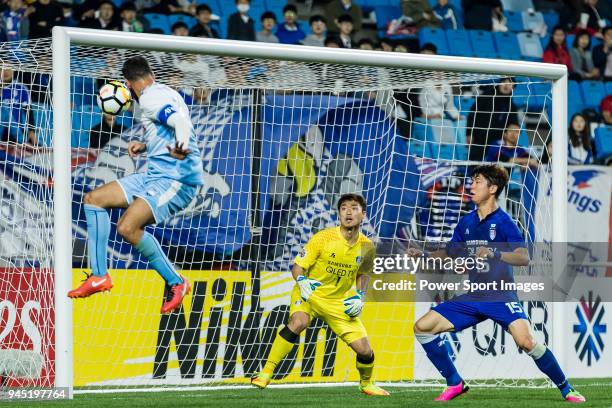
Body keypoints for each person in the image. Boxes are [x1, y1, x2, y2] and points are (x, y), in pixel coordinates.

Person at [408, 164, 586, 403]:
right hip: (474, 296)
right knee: (422, 327)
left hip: (501, 296)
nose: (471, 186)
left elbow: (523, 257)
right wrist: (425, 255)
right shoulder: (466, 222)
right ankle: (454, 382)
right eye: (472, 181)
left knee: (526, 342)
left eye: (477, 181)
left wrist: (495, 253)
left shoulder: (504, 222)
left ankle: (567, 389)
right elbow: (451, 252)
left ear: (492, 188)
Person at [68, 56, 204, 316]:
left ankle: (177, 282)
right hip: (156, 173)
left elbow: (181, 123)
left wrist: (181, 147)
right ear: (151, 73)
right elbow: (167, 125)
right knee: (93, 199)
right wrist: (144, 146)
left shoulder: (151, 99)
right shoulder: (166, 92)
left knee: (128, 228)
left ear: (127, 85)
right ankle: (99, 276)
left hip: (177, 179)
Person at [251, 194, 389, 397]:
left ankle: (366, 383)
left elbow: (363, 274)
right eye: (343, 208)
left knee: (365, 350)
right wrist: (302, 281)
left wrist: (360, 296)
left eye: (354, 208)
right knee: (298, 322)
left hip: (337, 302)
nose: (348, 212)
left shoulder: (367, 246)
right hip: (310, 294)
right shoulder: (323, 238)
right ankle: (265, 373)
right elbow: (297, 267)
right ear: (339, 213)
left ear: (363, 214)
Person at [467, 78, 518, 161]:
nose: (506, 85)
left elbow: (513, 123)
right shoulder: (487, 95)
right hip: (479, 138)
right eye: (504, 82)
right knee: (474, 164)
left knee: (494, 167)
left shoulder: (511, 105)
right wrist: (469, 133)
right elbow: (473, 113)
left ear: (513, 88)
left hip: (496, 141)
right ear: (499, 83)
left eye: (510, 83)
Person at [0, 68, 36, 145]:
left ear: (14, 70)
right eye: (2, 69)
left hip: (17, 133)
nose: (5, 71)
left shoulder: (21, 88)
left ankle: (24, 142)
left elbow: (28, 111)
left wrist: (31, 131)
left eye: (8, 68)